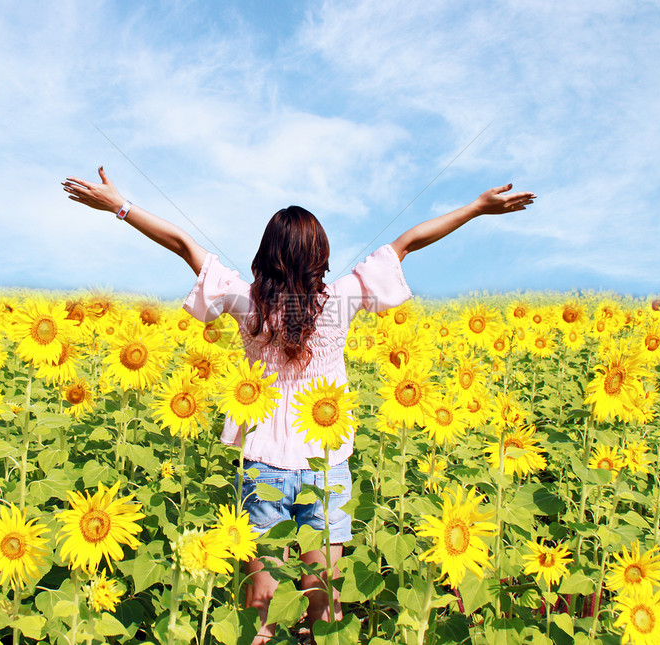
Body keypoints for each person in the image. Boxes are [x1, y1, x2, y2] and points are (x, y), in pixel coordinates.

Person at [62, 167, 535, 643]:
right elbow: (408, 241)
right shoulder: (342, 300)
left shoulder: (247, 304)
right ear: (321, 255)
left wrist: (119, 206)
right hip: (327, 465)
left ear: (265, 254)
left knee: (260, 615)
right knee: (323, 614)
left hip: (262, 465)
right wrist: (477, 207)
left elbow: (185, 244)